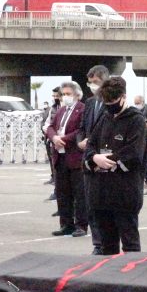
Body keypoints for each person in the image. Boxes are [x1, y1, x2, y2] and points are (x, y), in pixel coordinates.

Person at [84, 77, 145, 255]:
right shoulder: (104, 117)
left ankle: (132, 276)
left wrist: (108, 161)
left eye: (113, 101)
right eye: (106, 102)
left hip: (124, 192)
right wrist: (94, 158)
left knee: (130, 243)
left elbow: (134, 153)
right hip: (101, 192)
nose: (109, 105)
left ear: (123, 97)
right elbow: (90, 145)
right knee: (106, 244)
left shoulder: (136, 120)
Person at [47, 81, 87, 237]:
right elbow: (50, 127)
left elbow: (80, 130)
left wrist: (64, 138)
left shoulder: (82, 109)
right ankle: (66, 224)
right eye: (63, 94)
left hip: (75, 155)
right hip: (60, 155)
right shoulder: (61, 110)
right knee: (63, 193)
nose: (65, 97)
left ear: (77, 94)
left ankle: (81, 225)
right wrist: (54, 137)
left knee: (79, 193)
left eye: (68, 94)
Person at [78, 65, 110, 254]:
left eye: (96, 82)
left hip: (104, 157)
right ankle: (97, 243)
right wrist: (80, 141)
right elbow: (82, 127)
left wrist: (94, 142)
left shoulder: (112, 103)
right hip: (88, 157)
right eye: (90, 82)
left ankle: (107, 242)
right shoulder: (89, 102)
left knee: (103, 203)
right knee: (91, 203)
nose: (92, 86)